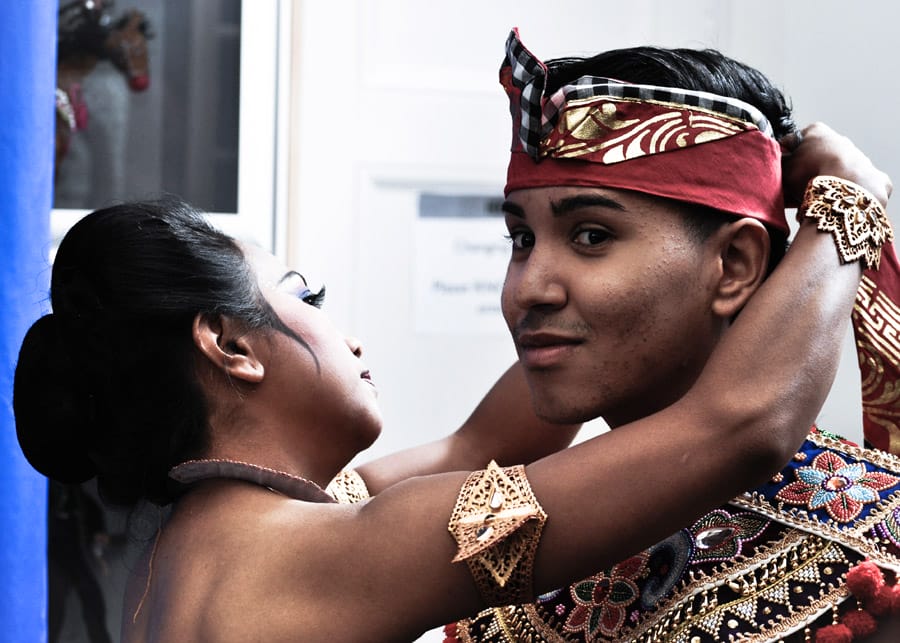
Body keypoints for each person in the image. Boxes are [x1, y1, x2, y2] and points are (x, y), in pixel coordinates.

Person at [13, 126, 884, 639]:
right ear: (232, 346)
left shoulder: (202, 546)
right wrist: (851, 201)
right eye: (303, 296)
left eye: (585, 237)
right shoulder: (331, 554)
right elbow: (737, 426)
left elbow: (484, 444)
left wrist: (577, 313)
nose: (341, 328)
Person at [432, 30, 900, 643]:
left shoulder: (874, 555)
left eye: (592, 236)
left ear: (733, 266)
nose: (527, 289)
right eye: (521, 240)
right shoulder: (509, 556)